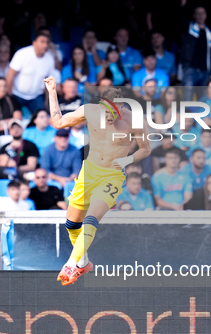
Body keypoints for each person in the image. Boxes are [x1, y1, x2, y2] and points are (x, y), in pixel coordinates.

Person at [45, 77, 151, 285]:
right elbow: (58, 122)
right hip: (89, 172)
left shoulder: (134, 120)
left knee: (91, 219)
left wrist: (127, 159)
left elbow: (146, 149)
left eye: (111, 115)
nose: (107, 119)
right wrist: (52, 91)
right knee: (71, 224)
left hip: (111, 175)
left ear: (120, 107)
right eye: (104, 113)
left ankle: (71, 263)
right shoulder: (90, 111)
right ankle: (83, 262)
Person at [6, 32, 58, 113]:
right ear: (34, 43)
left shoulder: (49, 58)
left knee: (42, 117)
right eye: (42, 41)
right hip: (17, 95)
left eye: (47, 42)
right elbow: (10, 75)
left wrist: (48, 101)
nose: (45, 45)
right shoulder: (22, 54)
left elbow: (49, 82)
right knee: (13, 118)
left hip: (36, 96)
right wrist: (9, 96)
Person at [179, 5, 211, 96]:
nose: (200, 15)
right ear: (194, 15)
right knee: (188, 97)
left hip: (205, 71)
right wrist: (182, 6)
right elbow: (180, 19)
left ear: (206, 15)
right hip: (190, 69)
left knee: (203, 99)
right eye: (198, 13)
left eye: (202, 13)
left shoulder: (210, 34)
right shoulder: (189, 29)